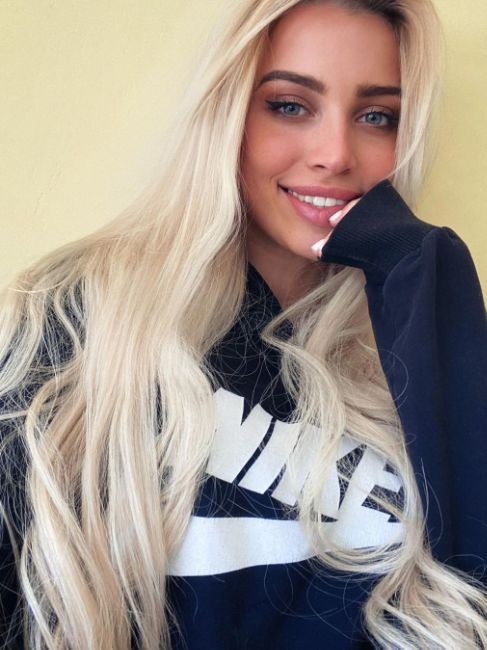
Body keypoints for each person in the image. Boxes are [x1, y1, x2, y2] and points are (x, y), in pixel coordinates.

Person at [1, 0, 486, 647]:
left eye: (377, 117)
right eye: (289, 105)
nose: (335, 154)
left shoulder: (406, 335)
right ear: (226, 112)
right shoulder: (83, 315)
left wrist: (433, 283)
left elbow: (468, 575)